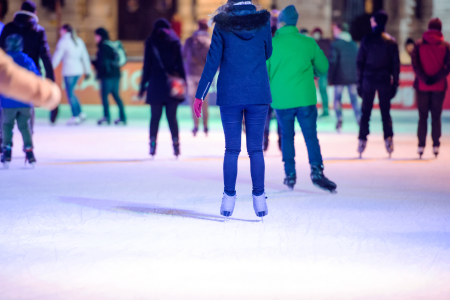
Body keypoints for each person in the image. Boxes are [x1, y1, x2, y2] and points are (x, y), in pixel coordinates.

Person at [193, 0, 272, 219]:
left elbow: (212, 62)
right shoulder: (263, 22)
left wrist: (200, 95)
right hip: (258, 93)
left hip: (230, 95)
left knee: (232, 149)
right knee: (255, 149)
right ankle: (259, 199)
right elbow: (268, 52)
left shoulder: (222, 25)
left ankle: (228, 198)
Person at [266, 5, 337, 193]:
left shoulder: (272, 44)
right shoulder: (308, 42)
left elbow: (264, 72)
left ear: (280, 22)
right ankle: (316, 170)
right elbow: (323, 67)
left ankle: (289, 174)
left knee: (287, 137)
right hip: (305, 99)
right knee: (310, 136)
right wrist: (312, 71)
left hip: (281, 101)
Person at [0, 1, 56, 123]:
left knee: (5, 110)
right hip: (30, 75)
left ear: (20, 9)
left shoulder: (8, 28)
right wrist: (51, 82)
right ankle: (28, 138)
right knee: (28, 110)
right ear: (35, 13)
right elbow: (46, 57)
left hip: (10, 75)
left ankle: (4, 136)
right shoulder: (38, 31)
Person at [139, 19, 185, 157]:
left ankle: (152, 145)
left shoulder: (151, 43)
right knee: (172, 117)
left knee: (155, 117)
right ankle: (176, 145)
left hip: (156, 84)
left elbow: (146, 67)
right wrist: (184, 81)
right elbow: (181, 65)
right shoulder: (175, 43)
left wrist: (142, 87)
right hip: (172, 85)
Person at [357, 10, 400, 158]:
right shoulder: (391, 41)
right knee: (385, 112)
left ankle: (362, 140)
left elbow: (360, 63)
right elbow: (396, 65)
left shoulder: (367, 39)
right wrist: (395, 83)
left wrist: (359, 83)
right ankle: (388, 140)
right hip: (384, 79)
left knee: (365, 112)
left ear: (375, 21)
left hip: (369, 78)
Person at [411, 18, 450, 159]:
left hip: (422, 86)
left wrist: (424, 78)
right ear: (440, 29)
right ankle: (436, 145)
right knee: (436, 116)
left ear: (428, 28)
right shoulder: (446, 46)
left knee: (422, 116)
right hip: (439, 87)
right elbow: (448, 66)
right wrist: (436, 78)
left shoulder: (418, 44)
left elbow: (415, 64)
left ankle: (421, 145)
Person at [1, 34, 40, 167]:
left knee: (7, 125)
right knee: (25, 126)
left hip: (8, 102)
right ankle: (29, 151)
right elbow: (37, 78)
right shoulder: (27, 60)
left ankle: (6, 150)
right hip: (25, 101)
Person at [52, 24, 91, 125]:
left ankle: (76, 115)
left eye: (61, 30)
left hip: (69, 71)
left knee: (70, 94)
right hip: (78, 70)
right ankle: (80, 113)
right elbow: (85, 56)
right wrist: (87, 70)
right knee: (72, 93)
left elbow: (57, 57)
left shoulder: (64, 42)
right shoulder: (78, 41)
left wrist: (50, 67)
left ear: (64, 31)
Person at [328, 22, 361, 131]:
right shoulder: (353, 45)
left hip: (339, 76)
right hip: (352, 77)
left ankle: (339, 120)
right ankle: (359, 119)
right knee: (354, 100)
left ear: (339, 30)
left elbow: (333, 62)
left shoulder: (336, 44)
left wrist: (330, 77)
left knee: (337, 99)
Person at [93, 27, 127, 125]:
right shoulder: (110, 45)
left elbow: (103, 62)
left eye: (96, 35)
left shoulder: (103, 46)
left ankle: (106, 117)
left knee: (104, 95)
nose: (95, 38)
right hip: (116, 74)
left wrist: (99, 72)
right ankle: (122, 117)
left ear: (100, 36)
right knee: (116, 95)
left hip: (108, 75)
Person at [182, 19, 210, 136]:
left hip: (191, 73)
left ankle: (195, 125)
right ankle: (205, 125)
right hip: (204, 75)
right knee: (204, 101)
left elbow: (183, 54)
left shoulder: (190, 40)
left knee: (193, 101)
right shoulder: (210, 41)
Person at [312, 27, 331, 117]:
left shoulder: (323, 42)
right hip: (318, 70)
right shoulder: (314, 43)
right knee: (320, 90)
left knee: (322, 90)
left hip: (322, 70)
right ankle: (324, 110)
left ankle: (325, 110)